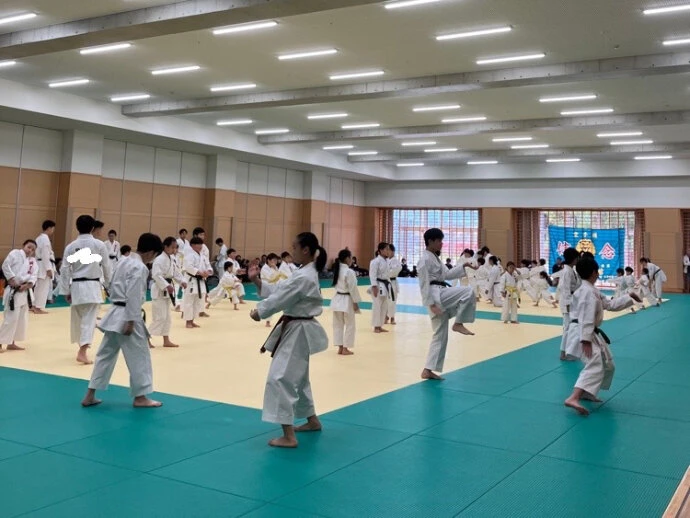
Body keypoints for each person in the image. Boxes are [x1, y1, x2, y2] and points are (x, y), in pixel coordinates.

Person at [248, 232, 329, 448]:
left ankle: (289, 435)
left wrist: (259, 311)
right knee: (299, 377)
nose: (291, 251)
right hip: (297, 328)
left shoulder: (304, 276)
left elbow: (281, 298)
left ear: (305, 249)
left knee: (280, 377)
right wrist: (257, 281)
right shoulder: (303, 272)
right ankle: (312, 421)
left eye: (294, 247)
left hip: (297, 331)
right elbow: (280, 290)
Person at [81, 233, 164, 409]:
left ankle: (90, 394)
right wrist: (131, 320)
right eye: (155, 255)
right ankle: (140, 397)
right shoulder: (140, 268)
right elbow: (133, 295)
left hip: (114, 312)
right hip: (127, 314)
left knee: (105, 355)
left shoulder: (123, 261)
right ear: (150, 252)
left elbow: (111, 284)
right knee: (139, 356)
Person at [564, 257, 641, 416]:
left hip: (589, 331)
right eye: (597, 271)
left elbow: (610, 305)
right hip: (582, 331)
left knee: (607, 364)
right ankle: (574, 397)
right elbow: (585, 315)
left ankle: (587, 393)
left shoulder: (592, 290)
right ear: (593, 272)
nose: (598, 274)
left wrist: (630, 297)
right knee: (595, 363)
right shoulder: (586, 292)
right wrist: (585, 339)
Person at [417, 228, 477, 381]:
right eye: (439, 241)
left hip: (440, 292)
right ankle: (458, 323)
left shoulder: (435, 258)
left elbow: (447, 275)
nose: (441, 244)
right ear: (430, 241)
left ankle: (427, 370)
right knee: (468, 292)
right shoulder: (424, 260)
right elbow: (424, 284)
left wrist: (464, 266)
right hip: (435, 295)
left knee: (440, 336)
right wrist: (430, 304)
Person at [59, 215, 113, 365]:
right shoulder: (99, 245)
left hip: (76, 286)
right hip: (91, 286)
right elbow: (107, 267)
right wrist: (109, 285)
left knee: (78, 319)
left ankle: (81, 347)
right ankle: (82, 351)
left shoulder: (70, 246)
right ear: (92, 228)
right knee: (89, 320)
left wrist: (66, 290)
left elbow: (64, 269)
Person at [0, 240, 37, 352]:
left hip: (25, 292)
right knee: (11, 318)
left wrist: (27, 285)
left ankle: (12, 342)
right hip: (13, 290)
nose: (30, 250)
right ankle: (0, 343)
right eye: (29, 247)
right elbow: (5, 265)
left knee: (21, 319)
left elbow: (34, 274)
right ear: (23, 246)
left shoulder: (32, 261)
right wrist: (11, 279)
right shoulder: (15, 253)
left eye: (33, 249)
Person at [149, 237, 187, 348]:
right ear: (165, 247)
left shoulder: (172, 259)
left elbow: (176, 273)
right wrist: (166, 286)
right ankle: (145, 338)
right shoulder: (159, 259)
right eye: (172, 247)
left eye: (176, 247)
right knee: (159, 317)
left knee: (167, 317)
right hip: (159, 290)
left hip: (168, 291)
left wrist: (182, 282)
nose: (174, 250)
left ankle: (166, 340)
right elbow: (155, 275)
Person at [331, 249, 361, 356]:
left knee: (338, 324)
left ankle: (340, 347)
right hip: (347, 300)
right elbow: (353, 288)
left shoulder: (337, 270)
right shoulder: (349, 272)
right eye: (351, 257)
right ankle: (345, 348)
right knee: (350, 324)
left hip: (337, 298)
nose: (351, 260)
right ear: (347, 258)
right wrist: (356, 302)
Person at [182, 237, 213, 328]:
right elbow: (189, 267)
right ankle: (188, 321)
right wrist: (199, 272)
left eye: (201, 244)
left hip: (201, 281)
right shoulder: (189, 255)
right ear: (192, 245)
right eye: (198, 244)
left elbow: (208, 266)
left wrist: (208, 272)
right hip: (192, 280)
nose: (200, 246)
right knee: (189, 301)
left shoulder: (202, 256)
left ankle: (192, 320)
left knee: (197, 301)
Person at [558, 248, 581, 361]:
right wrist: (567, 304)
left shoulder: (571, 270)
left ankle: (568, 351)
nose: (578, 259)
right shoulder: (567, 271)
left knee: (570, 326)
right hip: (567, 302)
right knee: (567, 327)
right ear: (573, 258)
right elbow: (565, 288)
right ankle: (563, 353)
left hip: (572, 300)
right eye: (577, 257)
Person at [33, 220, 56, 314]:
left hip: (38, 264)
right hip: (44, 265)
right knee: (43, 287)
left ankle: (34, 305)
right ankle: (38, 307)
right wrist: (48, 269)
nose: (53, 230)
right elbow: (45, 255)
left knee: (38, 287)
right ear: (49, 228)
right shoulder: (45, 239)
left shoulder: (38, 238)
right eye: (53, 228)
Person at [368, 243, 392, 333]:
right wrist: (374, 286)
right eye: (386, 249)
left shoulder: (387, 261)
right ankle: (376, 326)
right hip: (377, 285)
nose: (388, 251)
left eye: (388, 249)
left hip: (385, 285)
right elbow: (372, 274)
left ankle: (380, 325)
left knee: (384, 306)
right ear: (380, 251)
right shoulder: (375, 261)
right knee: (377, 306)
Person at [261, 253, 287, 327]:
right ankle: (267, 321)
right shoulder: (264, 268)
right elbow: (271, 278)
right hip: (267, 287)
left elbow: (278, 277)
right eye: (273, 260)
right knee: (270, 304)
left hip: (274, 287)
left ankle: (285, 317)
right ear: (268, 260)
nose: (275, 262)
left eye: (276, 260)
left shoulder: (274, 267)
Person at [386, 244, 402, 325]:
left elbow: (395, 271)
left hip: (392, 283)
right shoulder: (386, 260)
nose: (387, 252)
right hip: (386, 282)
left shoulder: (396, 261)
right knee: (386, 301)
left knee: (392, 301)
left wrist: (387, 273)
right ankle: (386, 316)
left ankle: (392, 317)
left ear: (392, 251)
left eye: (388, 250)